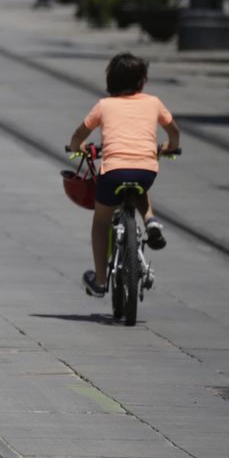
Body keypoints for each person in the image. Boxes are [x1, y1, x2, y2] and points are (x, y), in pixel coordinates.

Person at [66, 52, 179, 297]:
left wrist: (78, 148)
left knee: (101, 222)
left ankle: (100, 281)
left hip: (114, 171)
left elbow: (77, 137)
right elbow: (174, 131)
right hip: (146, 170)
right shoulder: (154, 102)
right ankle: (151, 221)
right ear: (142, 81)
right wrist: (169, 147)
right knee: (140, 187)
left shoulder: (104, 105)